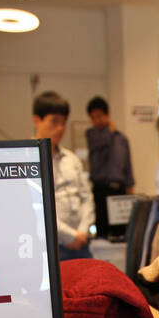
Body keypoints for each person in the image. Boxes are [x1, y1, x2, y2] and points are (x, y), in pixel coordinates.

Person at [32, 90, 94, 262]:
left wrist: (82, 231)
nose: (60, 128)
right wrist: (68, 235)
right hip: (52, 246)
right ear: (37, 120)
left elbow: (86, 196)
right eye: (54, 121)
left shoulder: (71, 159)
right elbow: (36, 207)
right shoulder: (28, 160)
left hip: (82, 243)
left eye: (64, 122)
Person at [85, 96, 134, 238]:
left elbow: (128, 165)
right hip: (100, 189)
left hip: (118, 189)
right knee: (101, 230)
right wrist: (110, 131)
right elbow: (100, 143)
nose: (96, 120)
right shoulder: (91, 134)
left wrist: (130, 186)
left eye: (99, 116)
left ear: (107, 115)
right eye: (93, 117)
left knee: (120, 231)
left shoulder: (122, 139)